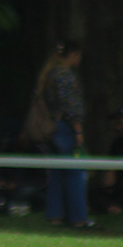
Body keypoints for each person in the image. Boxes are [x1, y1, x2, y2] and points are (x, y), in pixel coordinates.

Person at [39, 41, 89, 228]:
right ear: (73, 55)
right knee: (75, 172)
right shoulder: (65, 76)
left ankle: (55, 215)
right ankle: (78, 218)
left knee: (56, 173)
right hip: (66, 128)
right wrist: (78, 129)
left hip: (52, 127)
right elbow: (70, 106)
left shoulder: (50, 75)